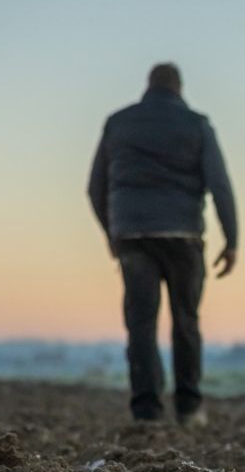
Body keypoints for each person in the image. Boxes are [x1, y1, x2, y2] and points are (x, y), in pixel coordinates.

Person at [88, 63, 237, 425]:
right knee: (185, 320)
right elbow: (219, 185)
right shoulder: (197, 125)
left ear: (148, 87)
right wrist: (232, 240)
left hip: (133, 236)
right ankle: (189, 407)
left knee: (141, 323)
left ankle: (146, 410)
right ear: (179, 89)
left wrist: (112, 232)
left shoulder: (118, 123)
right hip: (184, 236)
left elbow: (95, 188)